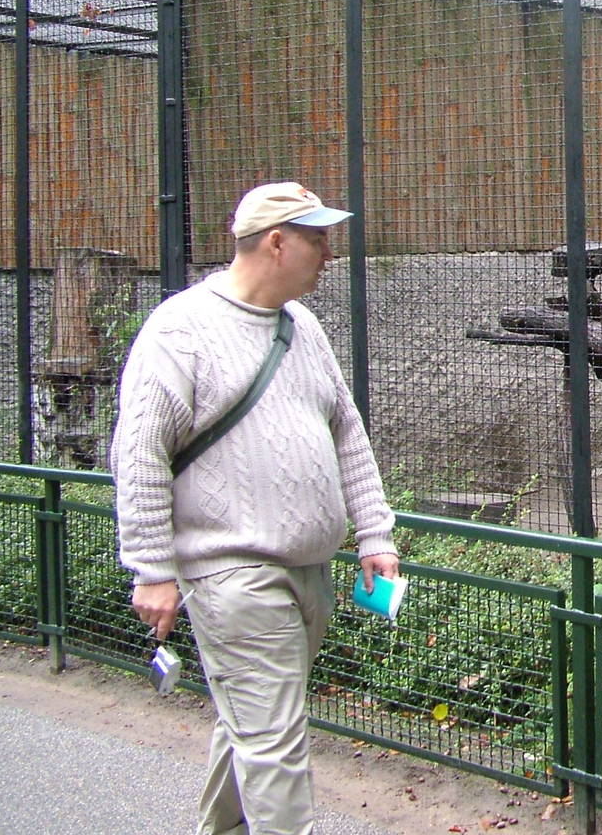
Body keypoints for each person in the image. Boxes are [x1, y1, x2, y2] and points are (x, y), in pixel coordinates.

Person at [111, 182, 399, 835]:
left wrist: (374, 532)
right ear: (276, 243)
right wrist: (152, 568)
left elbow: (346, 430)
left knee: (257, 722)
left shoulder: (304, 328)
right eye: (318, 238)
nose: (329, 253)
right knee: (275, 740)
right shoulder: (180, 332)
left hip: (308, 571)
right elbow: (139, 454)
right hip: (232, 572)